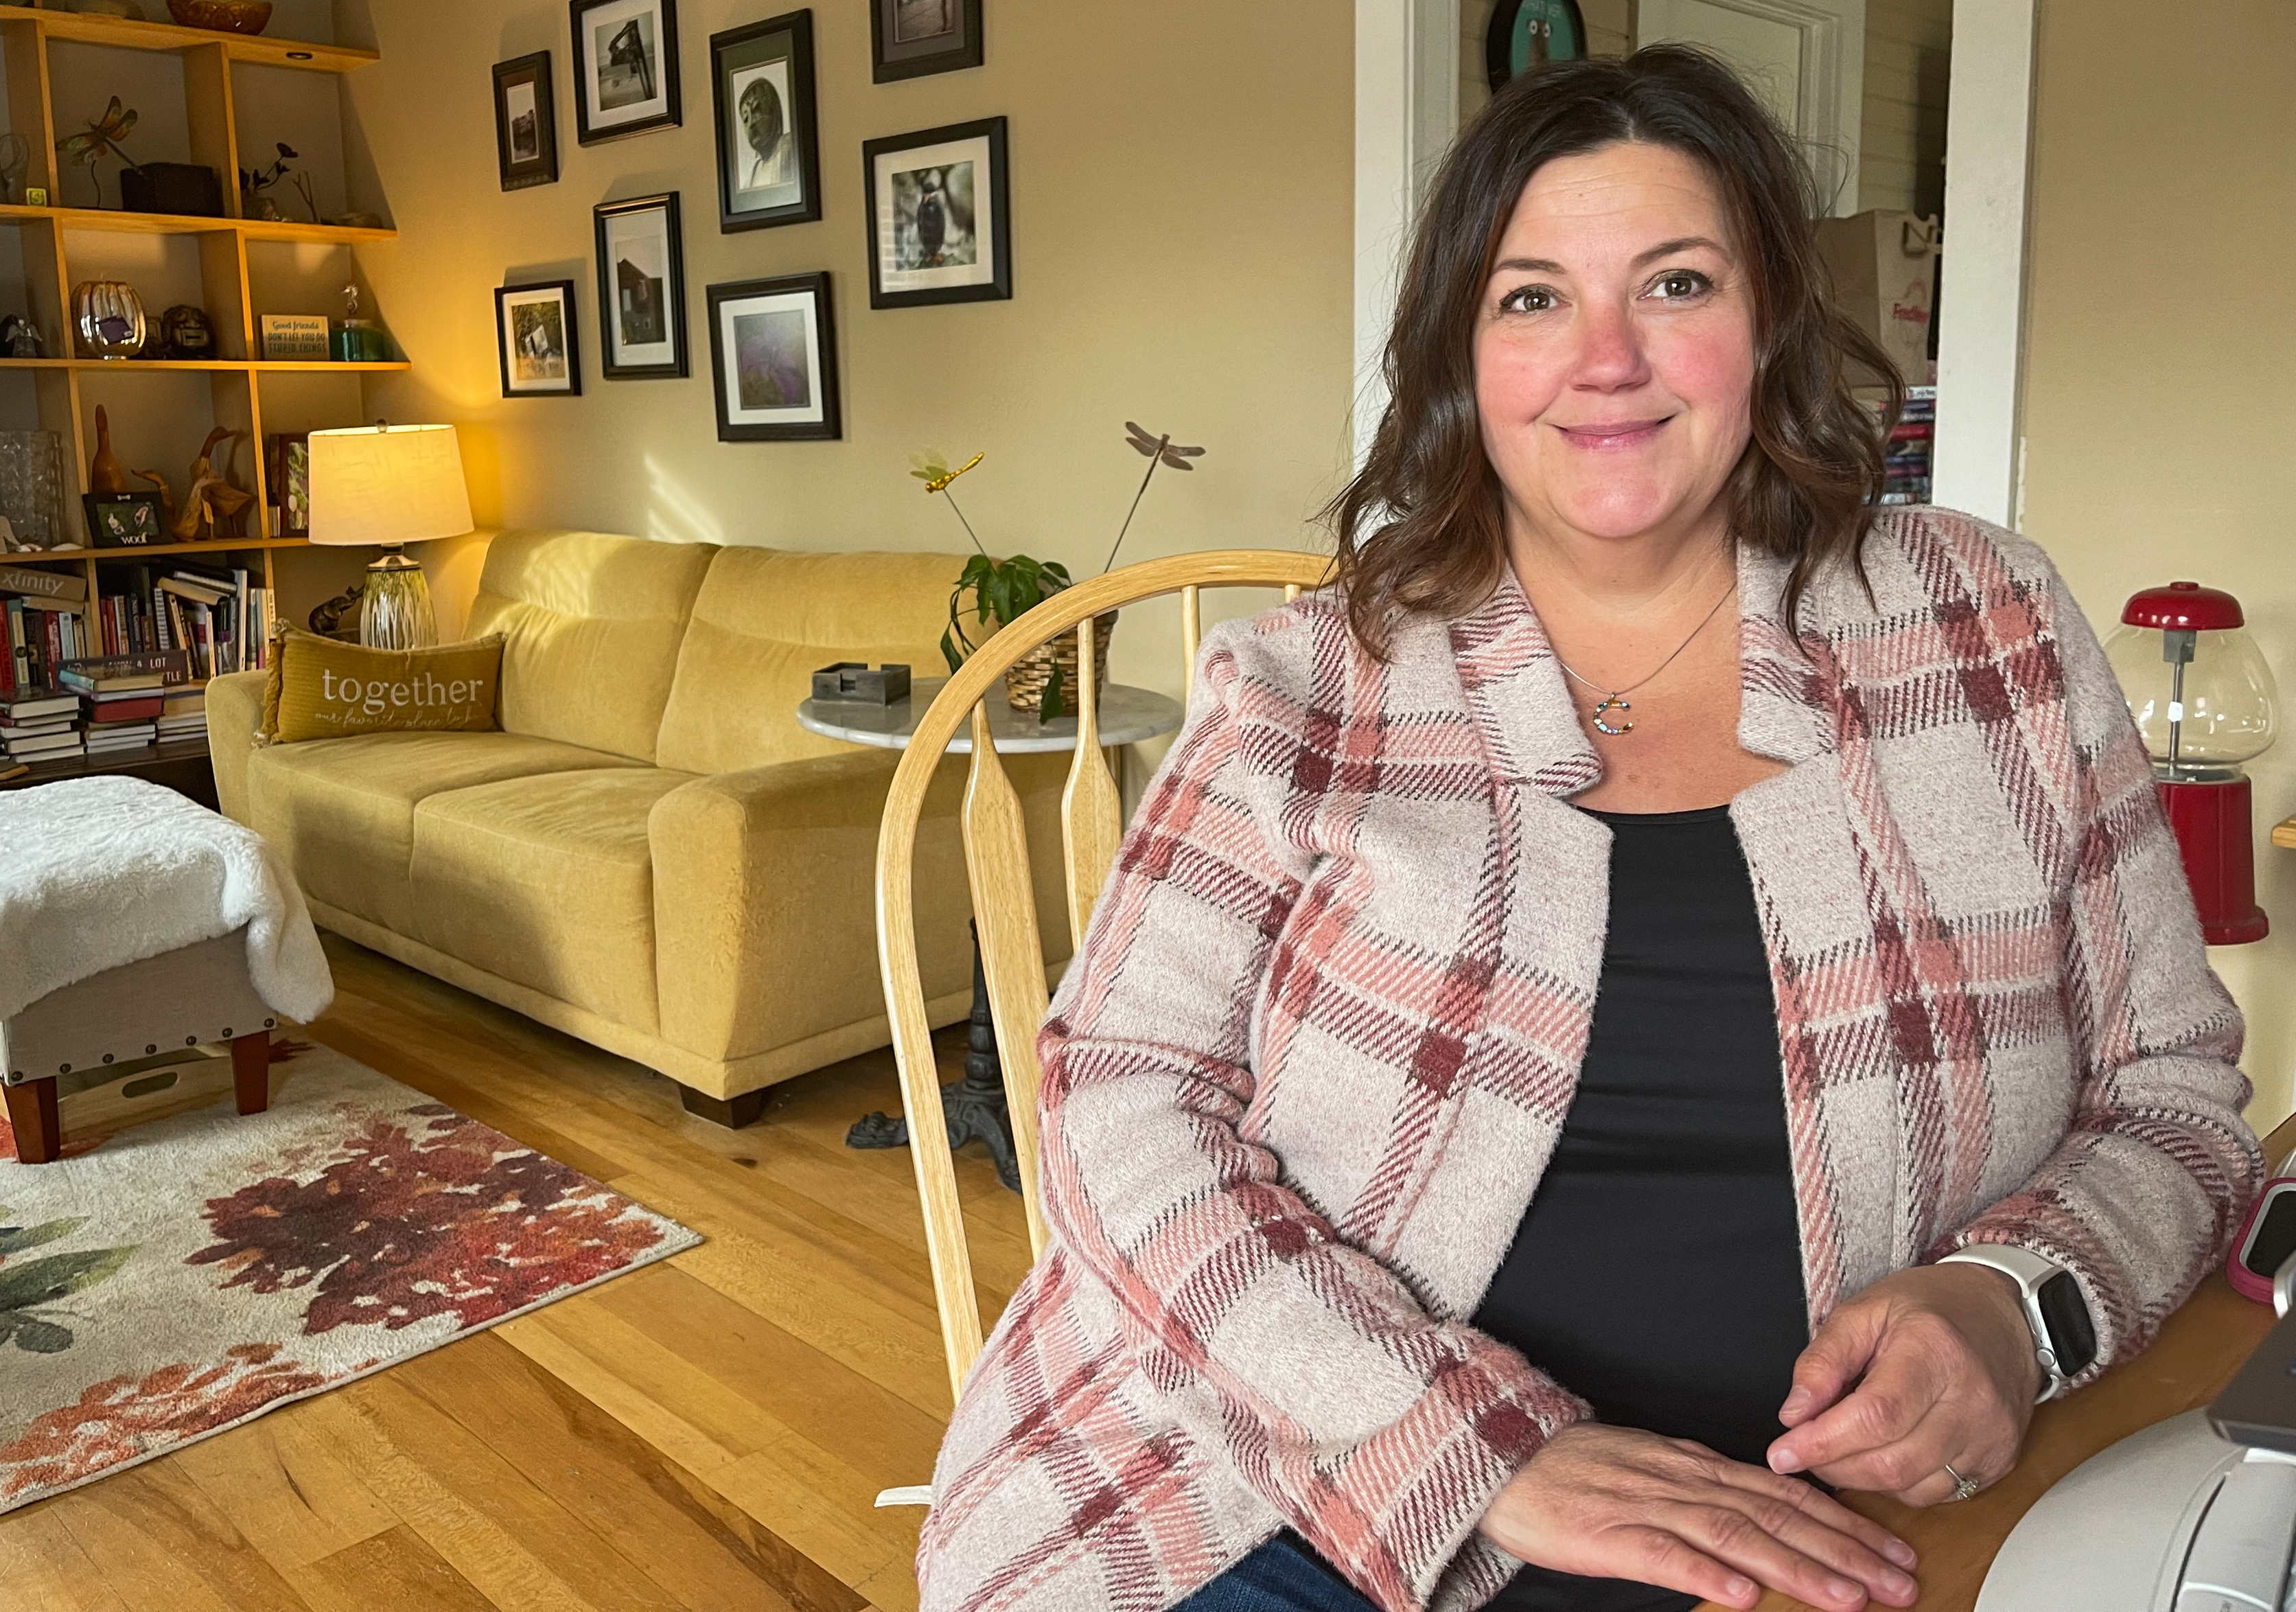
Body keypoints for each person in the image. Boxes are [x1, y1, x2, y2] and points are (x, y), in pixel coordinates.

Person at [913, 45, 2264, 1612]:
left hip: (1845, 1532)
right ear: (1458, 360)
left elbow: (2172, 1092)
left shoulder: (1986, 620)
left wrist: (2016, 1307)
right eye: (1532, 297)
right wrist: (1473, 1452)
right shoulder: (1304, 684)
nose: (1604, 357)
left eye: (1677, 284)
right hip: (1300, 1489)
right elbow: (1116, 1099)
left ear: (1767, 325)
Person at [738, 76, 795, 194]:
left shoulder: (789, 145)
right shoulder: (752, 174)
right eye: (746, 118)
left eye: (757, 111)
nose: (751, 124)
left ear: (773, 110)